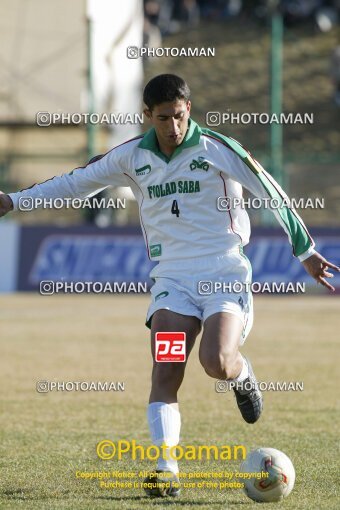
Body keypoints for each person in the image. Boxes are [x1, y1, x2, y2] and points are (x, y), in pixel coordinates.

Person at [0, 74, 338, 498]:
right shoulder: (130, 158)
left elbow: (268, 189)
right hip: (172, 280)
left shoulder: (216, 148)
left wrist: (304, 249)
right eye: (164, 118)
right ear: (147, 116)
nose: (174, 127)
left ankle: (242, 373)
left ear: (188, 110)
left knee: (215, 361)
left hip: (222, 273)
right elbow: (75, 182)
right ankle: (166, 467)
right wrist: (15, 200)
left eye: (179, 116)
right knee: (166, 368)